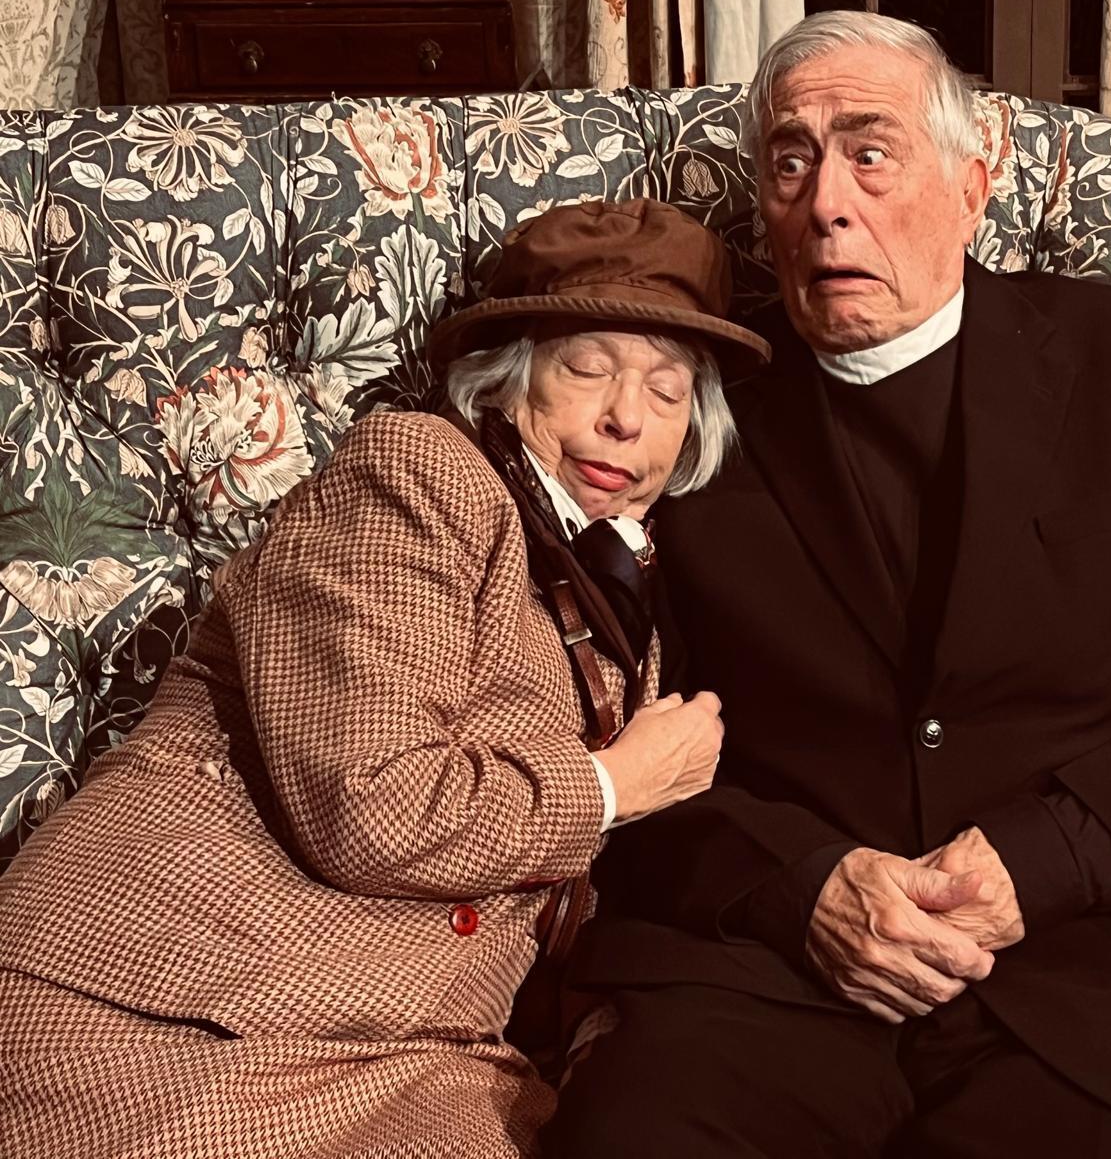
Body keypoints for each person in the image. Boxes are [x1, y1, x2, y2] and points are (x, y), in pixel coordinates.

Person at [545, 13, 1111, 1158]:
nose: (827, 202)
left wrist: (1056, 854)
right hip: (768, 972)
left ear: (970, 186)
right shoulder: (680, 412)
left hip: (1093, 979)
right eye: (790, 162)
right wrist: (803, 885)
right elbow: (616, 728)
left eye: (870, 152)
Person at [0, 199, 765, 1158]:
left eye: (667, 391)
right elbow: (373, 803)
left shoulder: (624, 600)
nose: (626, 418)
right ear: (509, 377)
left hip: (412, 1051)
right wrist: (617, 782)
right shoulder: (418, 471)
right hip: (162, 1002)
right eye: (586, 369)